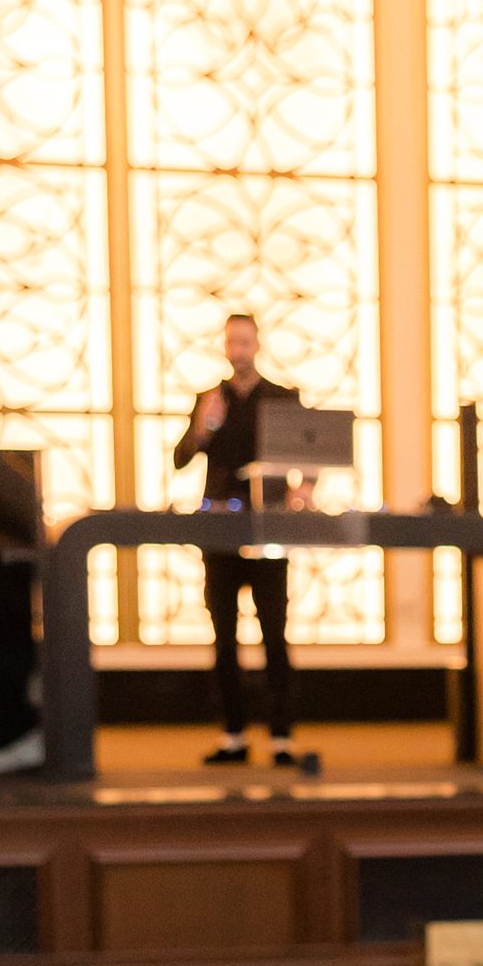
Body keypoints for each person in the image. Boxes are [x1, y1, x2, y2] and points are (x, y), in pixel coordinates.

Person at [171, 311, 306, 770]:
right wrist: (203, 426)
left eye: (246, 342)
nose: (239, 350)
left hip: (268, 528)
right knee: (224, 638)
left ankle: (282, 738)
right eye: (233, 342)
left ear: (257, 345)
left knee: (274, 633)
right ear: (225, 346)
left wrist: (303, 488)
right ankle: (233, 736)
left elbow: (308, 454)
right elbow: (180, 458)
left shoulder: (283, 398)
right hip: (220, 530)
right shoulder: (211, 398)